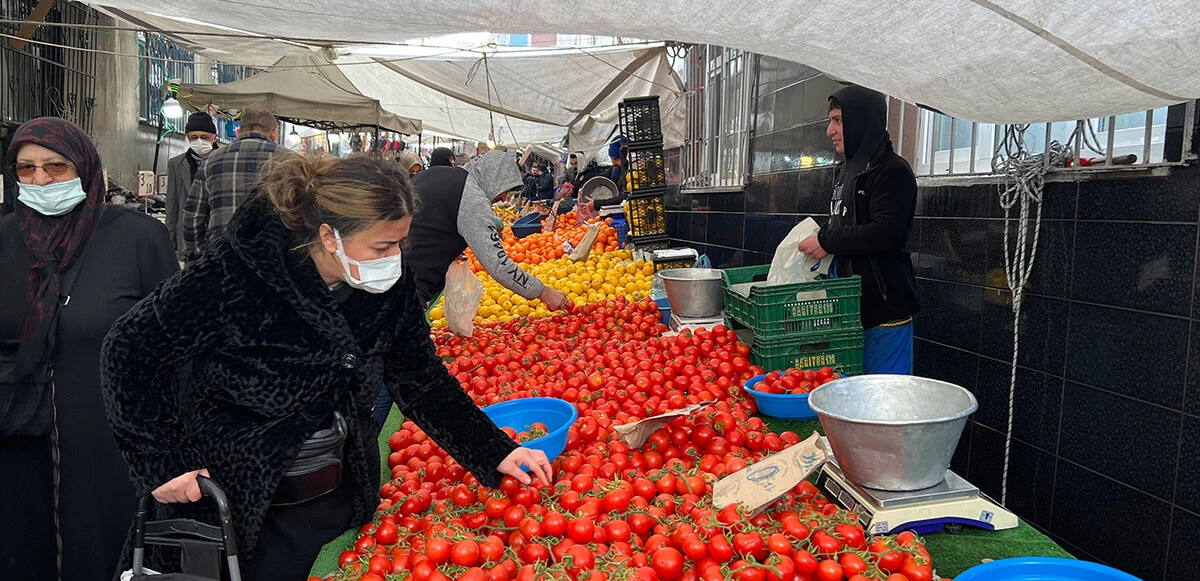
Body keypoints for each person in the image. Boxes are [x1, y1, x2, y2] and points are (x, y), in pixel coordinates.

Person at [100, 153, 552, 581]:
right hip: (237, 494)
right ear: (329, 236)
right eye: (382, 245)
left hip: (332, 489)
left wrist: (494, 451)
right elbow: (129, 348)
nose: (395, 258)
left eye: (401, 242)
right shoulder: (236, 273)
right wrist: (163, 459)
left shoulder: (391, 289)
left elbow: (422, 379)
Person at [0, 117, 178, 581]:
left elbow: (178, 346)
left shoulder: (136, 237)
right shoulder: (5, 240)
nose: (40, 179)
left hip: (111, 444)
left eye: (56, 167)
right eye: (26, 168)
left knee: (105, 553)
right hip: (20, 440)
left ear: (85, 167)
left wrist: (173, 450)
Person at [797, 85, 920, 374]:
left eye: (838, 120)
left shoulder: (892, 171)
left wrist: (826, 240)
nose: (829, 131)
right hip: (850, 312)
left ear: (862, 121)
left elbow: (887, 232)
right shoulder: (847, 169)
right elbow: (847, 223)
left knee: (883, 395)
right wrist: (819, 237)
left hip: (883, 313)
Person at [181, 108, 282, 261]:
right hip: (273, 259)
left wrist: (196, 256)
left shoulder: (210, 161)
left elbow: (193, 216)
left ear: (238, 132)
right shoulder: (289, 161)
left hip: (221, 257)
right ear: (274, 133)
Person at [165, 112, 218, 252]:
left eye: (204, 137)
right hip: (187, 236)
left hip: (217, 235)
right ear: (188, 138)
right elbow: (172, 206)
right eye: (194, 137)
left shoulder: (226, 161)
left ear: (215, 137)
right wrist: (171, 244)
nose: (199, 141)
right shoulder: (176, 164)